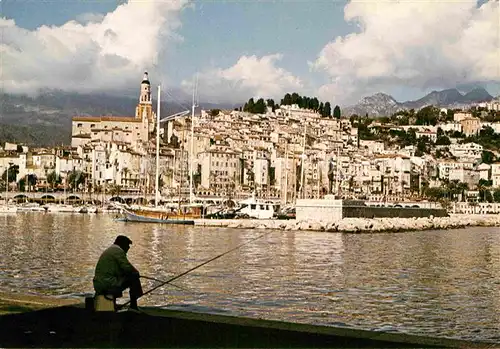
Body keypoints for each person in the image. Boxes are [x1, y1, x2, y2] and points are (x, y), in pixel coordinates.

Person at [93, 235, 144, 310]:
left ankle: (110, 305)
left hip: (99, 283)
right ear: (122, 244)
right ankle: (134, 306)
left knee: (127, 277)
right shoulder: (118, 251)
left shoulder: (111, 250)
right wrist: (137, 273)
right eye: (127, 246)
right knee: (134, 277)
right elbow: (128, 268)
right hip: (107, 283)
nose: (128, 248)